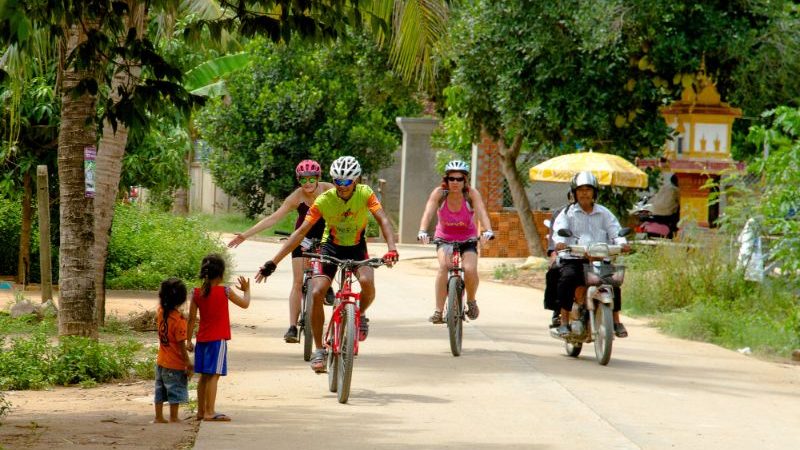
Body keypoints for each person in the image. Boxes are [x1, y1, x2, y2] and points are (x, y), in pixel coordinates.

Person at [255, 156, 399, 373]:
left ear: (356, 180)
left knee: (368, 282)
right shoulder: (323, 200)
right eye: (337, 181)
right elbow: (300, 232)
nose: (342, 186)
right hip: (330, 246)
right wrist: (273, 263)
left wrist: (392, 248)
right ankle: (320, 350)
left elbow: (383, 220)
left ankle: (359, 315)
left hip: (357, 246)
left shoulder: (366, 194)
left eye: (347, 182)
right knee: (317, 292)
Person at [228, 160, 334, 344]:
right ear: (298, 180)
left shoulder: (329, 190)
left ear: (318, 178)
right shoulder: (297, 197)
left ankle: (327, 286)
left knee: (331, 263)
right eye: (303, 180)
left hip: (327, 236)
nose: (307, 184)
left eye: (311, 179)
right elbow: (273, 218)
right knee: (298, 282)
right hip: (302, 237)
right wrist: (245, 235)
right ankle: (292, 327)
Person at [552, 171, 631, 338]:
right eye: (580, 189)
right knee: (567, 279)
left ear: (595, 192)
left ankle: (616, 320)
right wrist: (560, 242)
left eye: (588, 189)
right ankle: (564, 321)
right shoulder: (568, 213)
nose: (584, 193)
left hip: (600, 259)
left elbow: (615, 230)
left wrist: (622, 243)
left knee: (612, 282)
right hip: (575, 258)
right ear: (574, 193)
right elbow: (559, 230)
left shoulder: (604, 213)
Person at [417, 160, 494, 324]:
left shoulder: (471, 194)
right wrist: (422, 230)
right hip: (444, 237)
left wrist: (488, 230)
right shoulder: (439, 193)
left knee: (470, 269)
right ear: (446, 179)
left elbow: (482, 212)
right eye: (452, 178)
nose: (455, 182)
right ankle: (438, 311)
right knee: (444, 267)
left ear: (465, 180)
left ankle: (471, 301)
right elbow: (428, 212)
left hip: (468, 238)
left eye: (459, 179)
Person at [186, 254, 250, 422]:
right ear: (221, 274)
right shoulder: (225, 291)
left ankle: (201, 411)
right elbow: (245, 304)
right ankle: (210, 411)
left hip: (202, 339)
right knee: (214, 375)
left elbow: (192, 319)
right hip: (218, 340)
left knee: (204, 376)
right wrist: (247, 290)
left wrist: (187, 340)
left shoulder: (196, 292)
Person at [153, 277, 192, 424]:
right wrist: (188, 363)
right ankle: (174, 417)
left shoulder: (161, 312)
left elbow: (170, 338)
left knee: (160, 389)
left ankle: (158, 416)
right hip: (175, 363)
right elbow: (181, 347)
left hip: (161, 360)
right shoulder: (179, 321)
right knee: (174, 390)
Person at [543, 191, 574, 328]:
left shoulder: (601, 213)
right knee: (556, 272)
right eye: (578, 193)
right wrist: (553, 253)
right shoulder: (561, 213)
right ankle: (557, 310)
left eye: (588, 191)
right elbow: (554, 237)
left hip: (593, 255)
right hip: (567, 254)